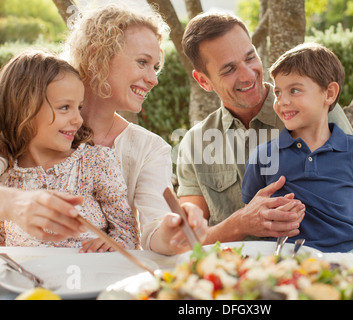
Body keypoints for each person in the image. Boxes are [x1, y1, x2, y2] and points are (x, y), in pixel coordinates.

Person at [0, 5, 206, 255]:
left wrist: (173, 231)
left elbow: (152, 228)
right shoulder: (19, 131)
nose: (154, 79)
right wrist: (11, 204)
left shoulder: (147, 149)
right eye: (142, 62)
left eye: (155, 67)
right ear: (98, 57)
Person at [177, 12, 353, 244]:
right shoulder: (195, 143)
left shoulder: (310, 107)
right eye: (229, 69)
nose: (247, 75)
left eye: (250, 57)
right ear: (203, 81)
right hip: (235, 271)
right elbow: (188, 238)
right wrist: (239, 224)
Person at [242, 43, 353, 252]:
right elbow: (251, 219)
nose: (282, 101)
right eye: (278, 92)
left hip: (351, 257)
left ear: (329, 93)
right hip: (288, 258)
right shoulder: (264, 156)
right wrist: (273, 218)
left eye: (294, 90)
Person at [0, 50, 139, 252]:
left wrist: (115, 244)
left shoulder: (95, 162)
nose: (78, 120)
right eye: (64, 107)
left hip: (90, 277)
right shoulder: (7, 171)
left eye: (79, 107)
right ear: (23, 108)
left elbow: (127, 233)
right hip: (28, 281)